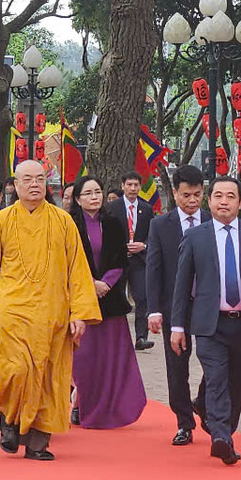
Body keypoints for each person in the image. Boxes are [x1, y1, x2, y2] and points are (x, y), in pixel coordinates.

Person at [0, 159, 100, 461]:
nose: (35, 184)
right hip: (11, 312)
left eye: (40, 178)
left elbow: (78, 270)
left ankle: (38, 443)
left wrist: (79, 313)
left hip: (53, 314)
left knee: (49, 379)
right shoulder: (2, 221)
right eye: (28, 179)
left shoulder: (62, 221)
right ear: (15, 184)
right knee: (13, 371)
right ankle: (10, 422)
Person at [170, 177, 241, 465]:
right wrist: (177, 326)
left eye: (230, 196)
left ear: (240, 202)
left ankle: (224, 428)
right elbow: (182, 285)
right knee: (217, 380)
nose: (224, 201)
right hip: (210, 324)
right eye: (218, 196)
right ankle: (222, 437)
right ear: (209, 202)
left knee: (237, 382)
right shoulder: (196, 237)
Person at [69, 175, 147, 429]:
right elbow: (66, 261)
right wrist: (90, 283)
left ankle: (111, 407)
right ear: (78, 199)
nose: (94, 197)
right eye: (88, 193)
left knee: (112, 358)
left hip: (110, 299)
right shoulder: (69, 224)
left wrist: (106, 284)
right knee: (85, 358)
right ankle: (81, 403)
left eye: (98, 192)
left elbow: (119, 260)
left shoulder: (113, 223)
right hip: (81, 299)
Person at [146, 165, 210, 445]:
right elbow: (154, 269)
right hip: (175, 307)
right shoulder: (161, 225)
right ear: (175, 193)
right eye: (186, 195)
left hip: (208, 305)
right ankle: (184, 422)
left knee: (215, 361)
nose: (192, 201)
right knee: (177, 367)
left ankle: (205, 403)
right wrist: (154, 309)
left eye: (197, 195)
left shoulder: (211, 221)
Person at [106, 171, 156, 351]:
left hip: (139, 261)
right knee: (116, 297)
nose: (133, 188)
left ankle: (141, 337)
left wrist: (144, 245)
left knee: (142, 297)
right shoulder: (112, 208)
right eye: (129, 185)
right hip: (118, 260)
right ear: (123, 186)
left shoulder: (147, 209)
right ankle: (116, 337)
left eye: (136, 185)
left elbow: (153, 235)